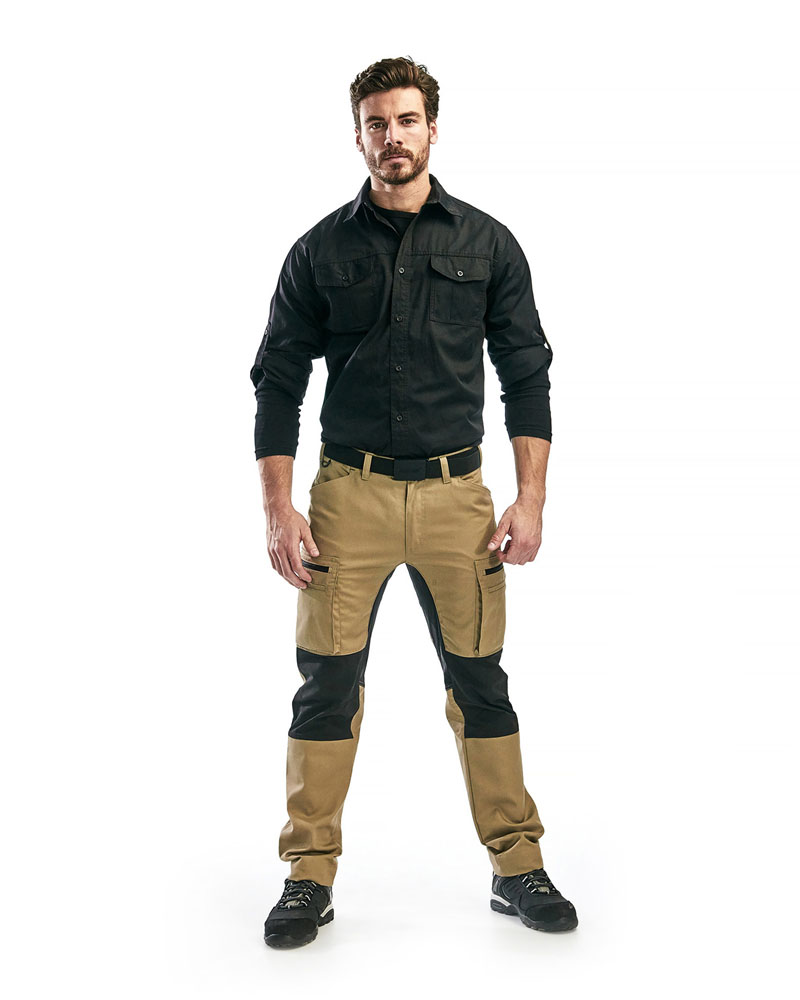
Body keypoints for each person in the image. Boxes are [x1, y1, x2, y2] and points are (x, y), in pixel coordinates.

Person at [250, 56, 578, 949]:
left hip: (456, 501)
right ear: (356, 135)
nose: (390, 137)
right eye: (375, 123)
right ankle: (307, 875)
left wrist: (531, 499)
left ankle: (517, 864)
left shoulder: (488, 244)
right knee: (327, 688)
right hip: (345, 501)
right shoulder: (319, 251)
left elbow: (527, 375)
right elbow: (278, 381)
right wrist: (279, 509)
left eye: (405, 120)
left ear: (433, 127)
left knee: (480, 683)